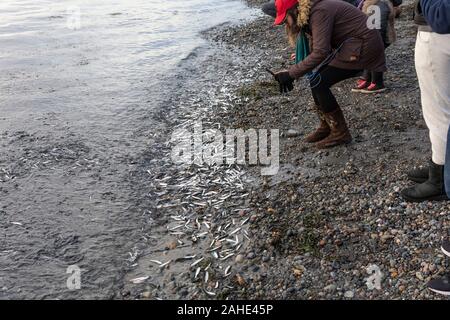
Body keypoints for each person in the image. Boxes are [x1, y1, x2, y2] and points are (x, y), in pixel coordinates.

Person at [271, 0, 386, 149]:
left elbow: (321, 52)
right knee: (316, 79)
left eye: (285, 18)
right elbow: (318, 47)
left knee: (319, 81)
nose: (285, 24)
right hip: (353, 44)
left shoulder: (319, 12)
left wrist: (292, 74)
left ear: (294, 10)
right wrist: (289, 72)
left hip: (364, 46)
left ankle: (340, 133)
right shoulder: (312, 13)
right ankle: (327, 125)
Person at [400, 0, 450, 202]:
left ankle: (440, 176)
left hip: (438, 37)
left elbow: (441, 16)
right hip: (438, 34)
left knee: (438, 110)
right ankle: (441, 165)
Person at [352, 0, 396, 93]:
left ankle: (377, 82)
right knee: (370, 56)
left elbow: (379, 25)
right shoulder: (369, 3)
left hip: (378, 37)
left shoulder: (378, 4)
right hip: (372, 37)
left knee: (375, 57)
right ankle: (368, 79)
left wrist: (376, 40)